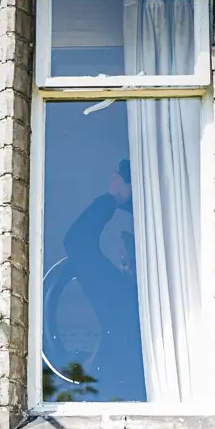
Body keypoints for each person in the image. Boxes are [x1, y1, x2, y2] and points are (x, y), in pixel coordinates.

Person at [55, 159, 145, 400]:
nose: (124, 264)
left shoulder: (125, 300)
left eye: (128, 255)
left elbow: (78, 241)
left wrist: (113, 196)